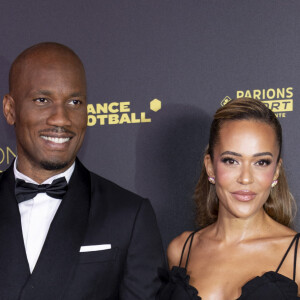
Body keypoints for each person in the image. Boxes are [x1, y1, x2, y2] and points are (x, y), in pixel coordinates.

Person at [0, 42, 165, 300]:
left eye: (74, 102)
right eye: (42, 100)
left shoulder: (129, 216)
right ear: (10, 110)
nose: (61, 118)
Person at [156, 98, 299, 300]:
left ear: (276, 171)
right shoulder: (181, 250)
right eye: (231, 161)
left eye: (261, 162)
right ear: (210, 167)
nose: (246, 178)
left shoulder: (297, 257)